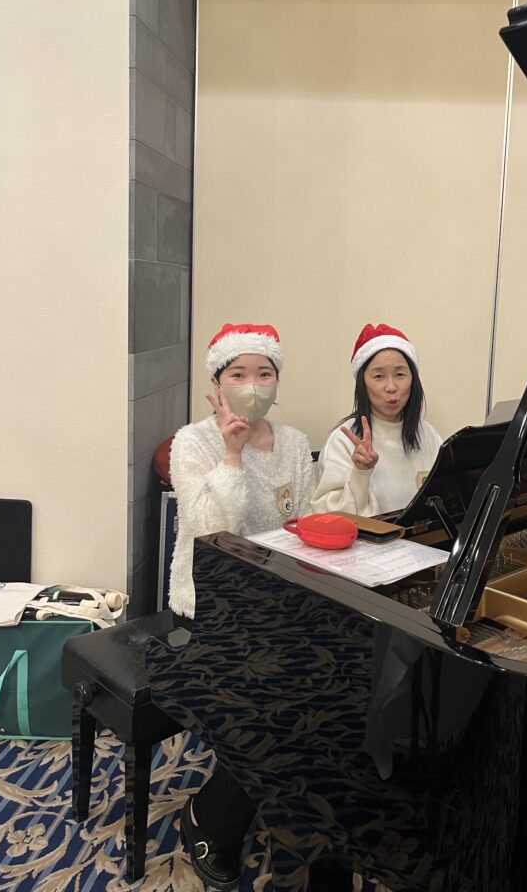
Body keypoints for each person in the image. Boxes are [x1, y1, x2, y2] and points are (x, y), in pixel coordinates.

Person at [169, 322, 316, 891]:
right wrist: (232, 455)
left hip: (278, 599)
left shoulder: (295, 443)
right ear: (217, 384)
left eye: (264, 373)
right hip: (210, 604)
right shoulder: (192, 442)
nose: (253, 385)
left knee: (326, 689)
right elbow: (211, 531)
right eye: (239, 374)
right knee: (283, 701)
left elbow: (304, 522)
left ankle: (296, 813)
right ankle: (208, 816)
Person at [312, 323, 442, 516]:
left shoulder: (428, 435)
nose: (391, 387)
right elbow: (329, 517)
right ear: (362, 383)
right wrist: (360, 472)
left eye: (400, 374)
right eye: (379, 376)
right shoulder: (344, 440)